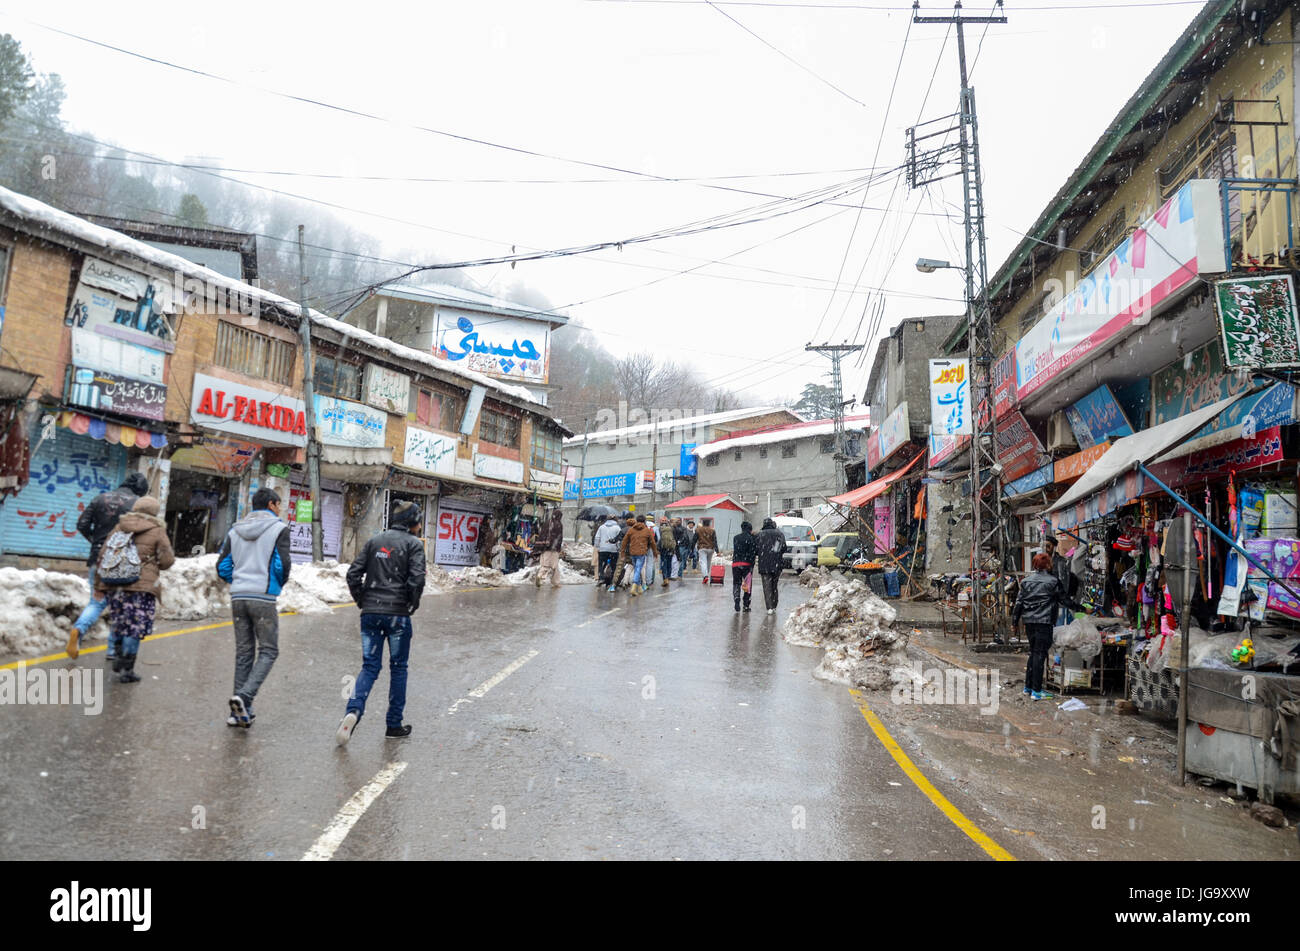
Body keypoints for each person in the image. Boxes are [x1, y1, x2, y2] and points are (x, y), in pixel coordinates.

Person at [336, 500, 427, 744]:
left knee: (369, 667)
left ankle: (353, 710)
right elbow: (417, 580)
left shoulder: (374, 541)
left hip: (370, 614)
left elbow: (353, 574)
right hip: (398, 615)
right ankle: (393, 724)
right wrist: (411, 604)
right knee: (398, 668)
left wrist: (362, 601)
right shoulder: (414, 545)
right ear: (412, 522)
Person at [216, 487, 292, 728]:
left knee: (244, 652)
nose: (280, 509)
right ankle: (245, 696)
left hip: (238, 597)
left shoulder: (235, 530)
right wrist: (272, 584)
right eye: (278, 504)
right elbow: (283, 565)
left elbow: (222, 566)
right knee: (269, 651)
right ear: (271, 504)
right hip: (263, 597)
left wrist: (239, 581)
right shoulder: (279, 529)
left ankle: (239, 712)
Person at [67, 472, 149, 659]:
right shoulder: (137, 504)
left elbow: (82, 524)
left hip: (98, 558)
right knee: (119, 606)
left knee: (96, 602)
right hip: (122, 561)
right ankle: (112, 650)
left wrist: (96, 542)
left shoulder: (100, 498)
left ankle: (78, 629)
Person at [94, 495, 175, 683]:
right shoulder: (157, 530)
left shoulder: (119, 526)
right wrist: (153, 564)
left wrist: (99, 585)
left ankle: (119, 654)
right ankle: (127, 667)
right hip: (141, 586)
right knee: (135, 627)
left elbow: (103, 555)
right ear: (154, 512)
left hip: (116, 585)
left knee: (121, 622)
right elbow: (167, 560)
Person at [1014, 552, 1067, 701]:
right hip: (1044, 622)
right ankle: (1036, 691)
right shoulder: (1053, 581)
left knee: (1033, 653)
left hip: (1029, 622)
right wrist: (1082, 608)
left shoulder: (1026, 581)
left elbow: (1019, 603)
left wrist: (1014, 622)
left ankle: (1028, 687)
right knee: (1039, 655)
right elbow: (1065, 600)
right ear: (1048, 565)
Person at [619, 514, 658, 597]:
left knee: (637, 568)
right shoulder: (647, 530)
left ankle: (639, 587)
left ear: (636, 521)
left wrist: (622, 552)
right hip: (641, 553)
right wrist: (655, 553)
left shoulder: (631, 530)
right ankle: (634, 586)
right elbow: (653, 543)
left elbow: (624, 542)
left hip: (632, 552)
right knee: (638, 569)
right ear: (644, 521)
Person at [755, 517, 788, 615]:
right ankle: (774, 605)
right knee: (774, 585)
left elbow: (755, 549)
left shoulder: (759, 535)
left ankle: (769, 607)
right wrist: (776, 553)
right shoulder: (779, 534)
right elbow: (784, 547)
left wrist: (762, 553)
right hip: (776, 564)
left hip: (764, 564)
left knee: (767, 586)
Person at [1042, 534, 1074, 626]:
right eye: (1044, 546)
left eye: (1048, 546)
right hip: (1046, 602)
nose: (1046, 549)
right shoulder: (1042, 562)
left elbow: (1064, 583)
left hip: (1058, 602)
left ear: (1054, 547)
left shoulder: (1060, 562)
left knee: (1058, 628)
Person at [535, 509, 566, 588]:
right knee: (553, 566)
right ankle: (542, 577)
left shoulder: (547, 522)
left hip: (545, 547)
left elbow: (542, 534)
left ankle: (552, 581)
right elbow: (559, 537)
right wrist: (558, 547)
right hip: (553, 548)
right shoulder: (558, 524)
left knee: (546, 563)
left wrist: (542, 545)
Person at [731, 521, 757, 612]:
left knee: (736, 583)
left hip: (736, 564)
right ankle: (746, 605)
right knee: (747, 584)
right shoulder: (751, 539)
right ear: (750, 529)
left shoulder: (736, 538)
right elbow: (752, 553)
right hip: (747, 564)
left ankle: (737, 598)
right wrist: (751, 564)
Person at [594, 514, 622, 589]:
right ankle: (611, 581)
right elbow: (619, 540)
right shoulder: (617, 528)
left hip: (603, 549)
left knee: (601, 564)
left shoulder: (601, 527)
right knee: (613, 565)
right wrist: (619, 548)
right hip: (613, 550)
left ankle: (601, 578)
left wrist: (597, 547)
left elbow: (597, 538)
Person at [657, 512, 678, 588]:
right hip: (671, 548)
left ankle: (665, 578)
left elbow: (659, 540)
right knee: (669, 563)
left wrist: (658, 548)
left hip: (663, 549)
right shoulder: (672, 528)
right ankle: (668, 577)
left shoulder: (659, 529)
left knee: (663, 563)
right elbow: (675, 538)